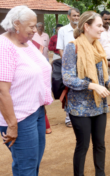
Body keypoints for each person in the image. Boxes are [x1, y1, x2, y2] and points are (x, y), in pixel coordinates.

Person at [62, 11, 110, 176]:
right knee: (83, 145)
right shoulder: (73, 47)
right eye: (99, 25)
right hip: (80, 108)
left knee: (100, 144)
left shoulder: (98, 48)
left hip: (98, 105)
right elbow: (67, 78)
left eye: (102, 26)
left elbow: (102, 77)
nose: (102, 29)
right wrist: (92, 85)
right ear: (86, 26)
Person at [0, 5, 53, 176]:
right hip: (19, 118)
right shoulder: (4, 47)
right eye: (31, 26)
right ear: (16, 24)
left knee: (34, 162)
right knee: (26, 167)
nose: (34, 30)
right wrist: (12, 125)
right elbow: (2, 90)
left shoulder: (27, 43)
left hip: (36, 111)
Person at [57, 8, 80, 128]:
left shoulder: (82, 29)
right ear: (68, 17)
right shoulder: (63, 30)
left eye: (78, 15)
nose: (76, 17)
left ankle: (79, 115)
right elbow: (60, 48)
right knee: (68, 91)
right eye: (74, 15)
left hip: (81, 66)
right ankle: (68, 118)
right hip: (68, 67)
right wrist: (67, 64)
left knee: (80, 89)